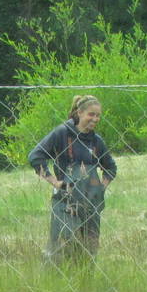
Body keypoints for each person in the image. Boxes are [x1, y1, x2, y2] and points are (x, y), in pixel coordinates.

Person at [29, 94, 117, 262]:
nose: (95, 119)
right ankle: (56, 282)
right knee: (63, 246)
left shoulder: (97, 141)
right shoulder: (62, 133)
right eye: (91, 114)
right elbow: (35, 156)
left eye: (98, 115)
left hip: (90, 204)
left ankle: (85, 283)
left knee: (89, 249)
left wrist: (100, 188)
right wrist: (54, 181)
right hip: (66, 201)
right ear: (79, 113)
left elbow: (111, 167)